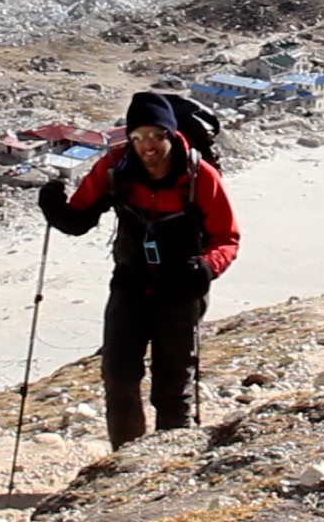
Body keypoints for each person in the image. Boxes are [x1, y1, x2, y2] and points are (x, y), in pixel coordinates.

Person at [37, 91, 239, 448]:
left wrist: (207, 268)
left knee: (173, 387)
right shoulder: (115, 168)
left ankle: (169, 464)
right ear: (129, 138)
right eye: (139, 137)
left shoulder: (199, 175)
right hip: (130, 286)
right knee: (118, 377)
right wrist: (57, 210)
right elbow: (80, 216)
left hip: (180, 291)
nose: (148, 145)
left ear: (171, 134)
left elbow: (226, 237)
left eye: (156, 136)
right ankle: (124, 464)